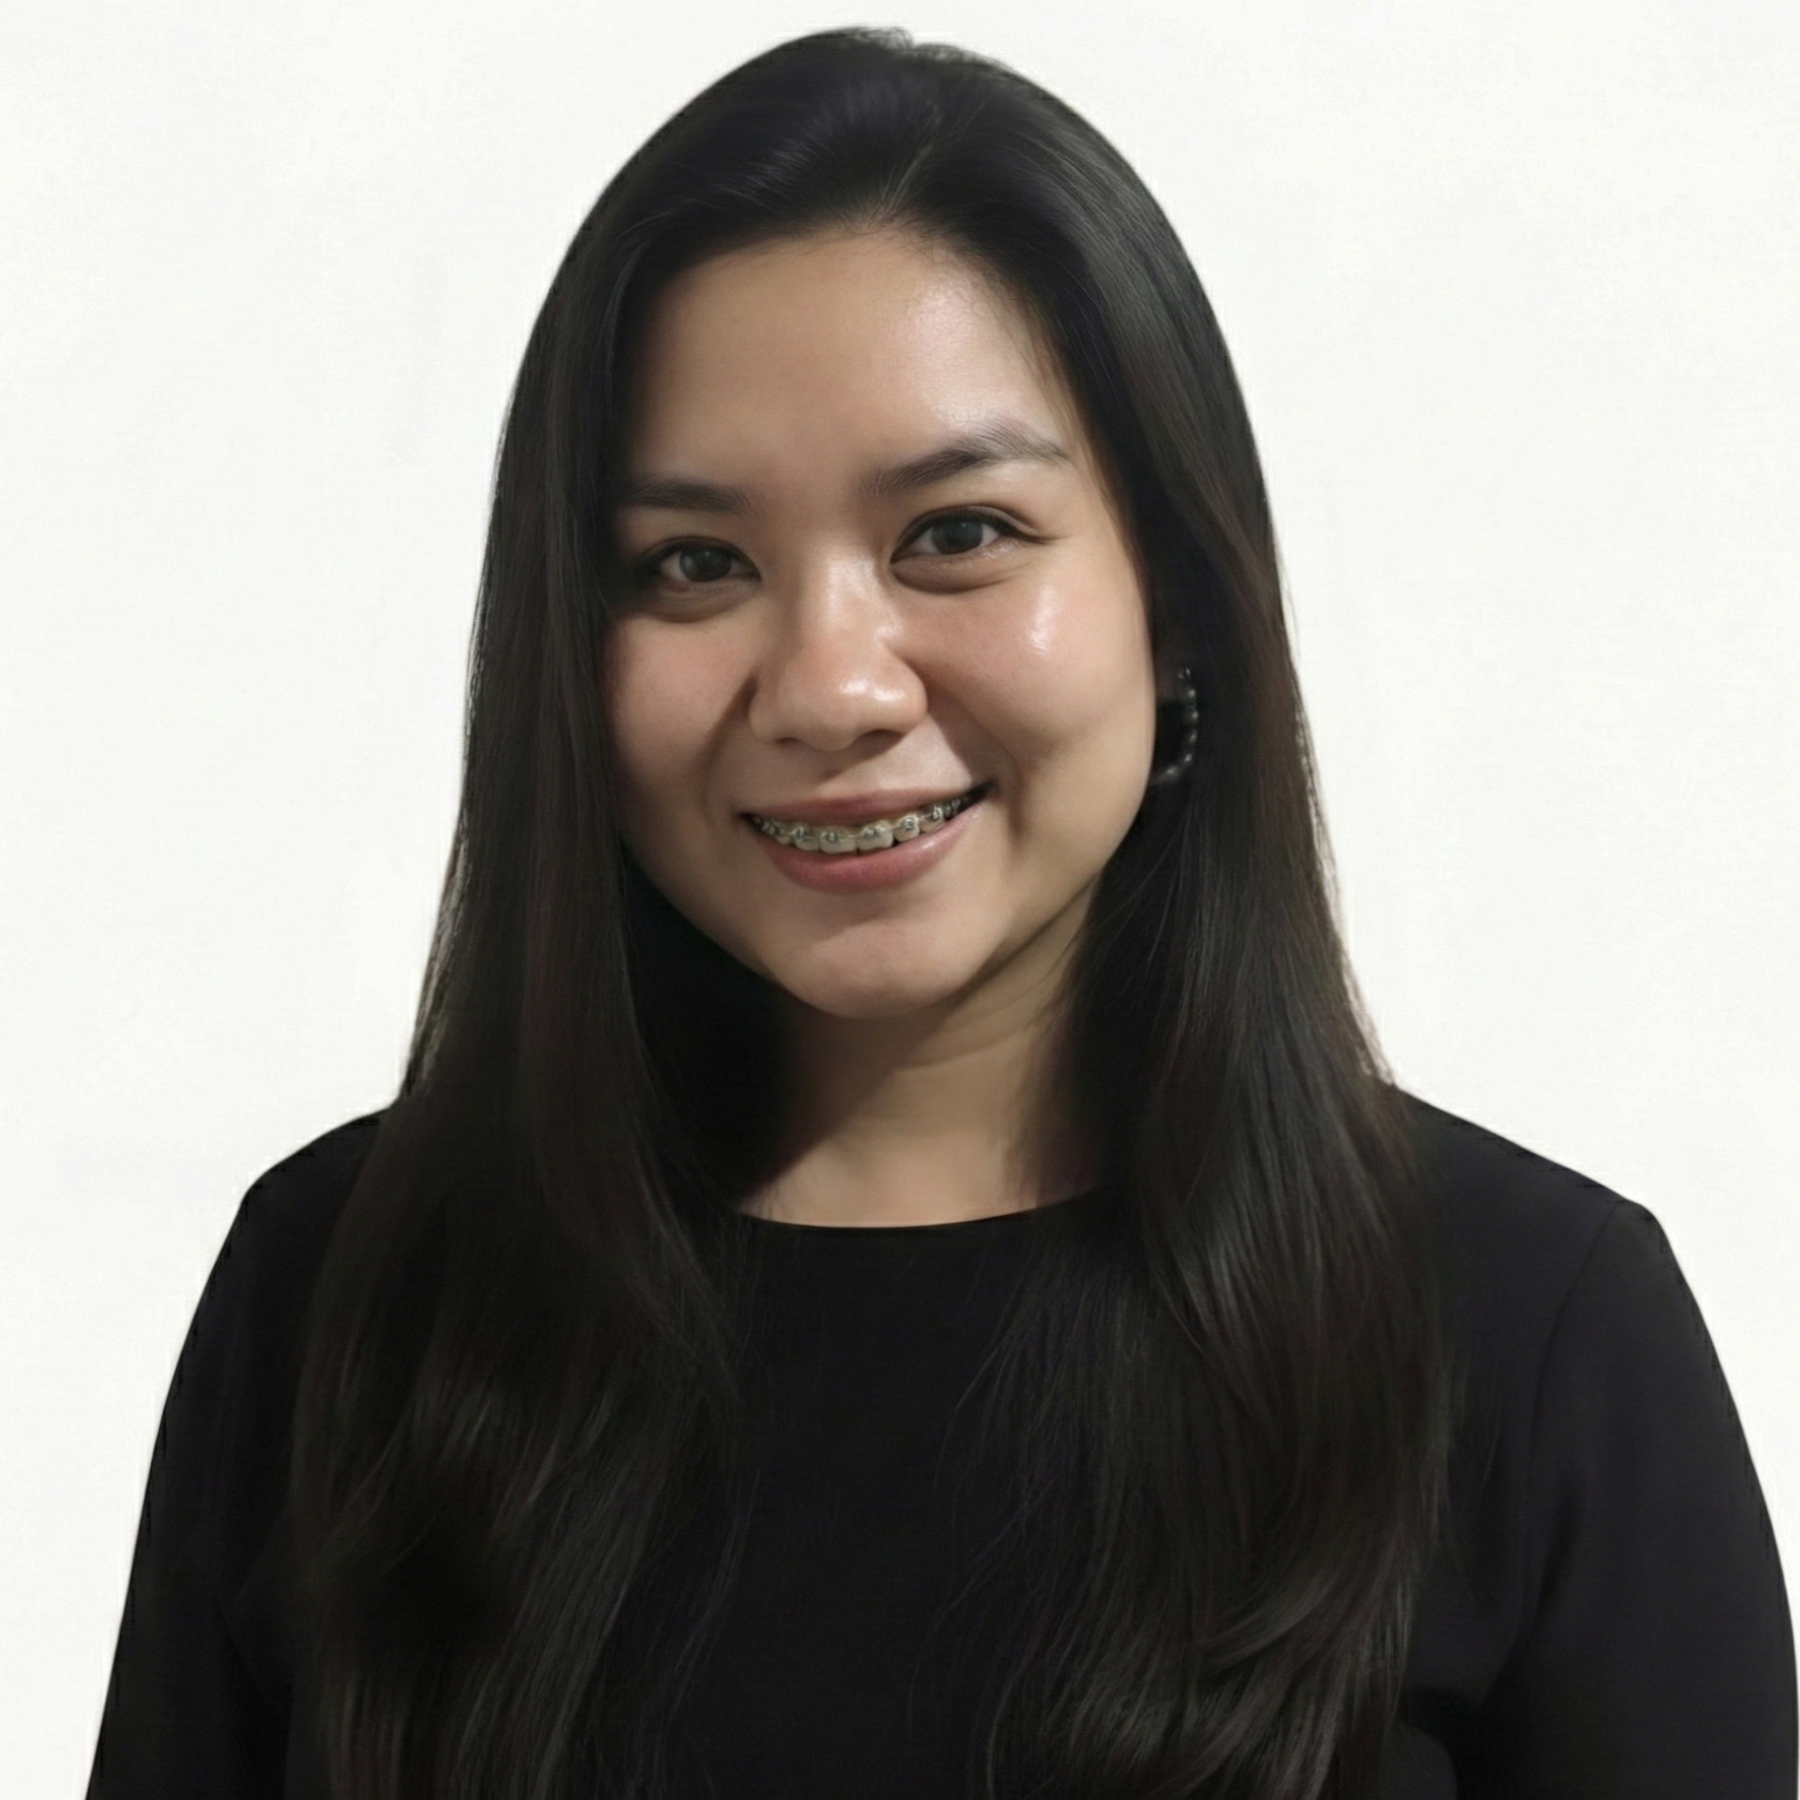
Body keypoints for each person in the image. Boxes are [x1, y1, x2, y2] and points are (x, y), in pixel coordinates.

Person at [86, 27, 1793, 1800]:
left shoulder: (1531, 1331)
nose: (831, 684)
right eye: (695, 564)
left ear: (1179, 603)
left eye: (958, 533)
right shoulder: (347, 1292)